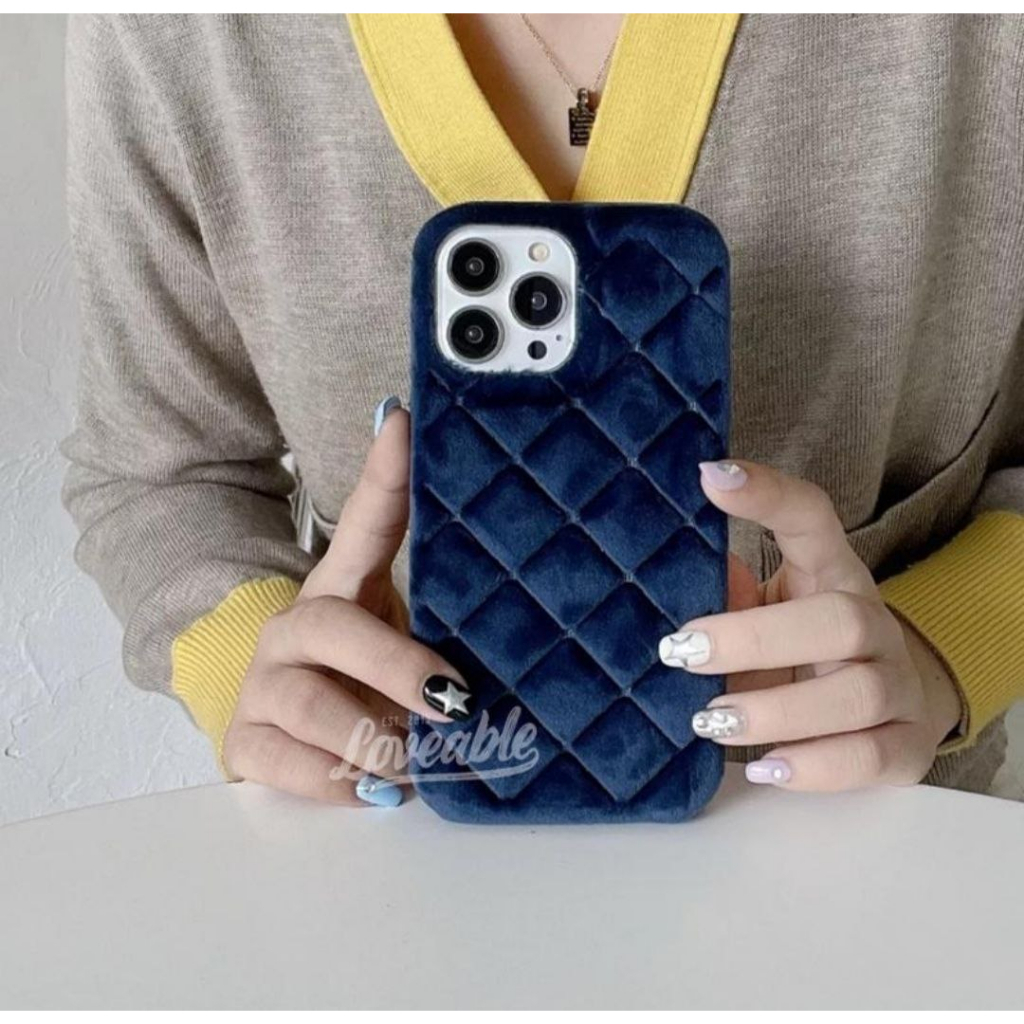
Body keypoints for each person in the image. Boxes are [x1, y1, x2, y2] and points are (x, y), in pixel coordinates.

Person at [62, 13, 1024, 807]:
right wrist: (269, 679)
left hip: (882, 850)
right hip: (393, 856)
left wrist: (944, 645)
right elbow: (159, 472)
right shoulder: (183, 32)